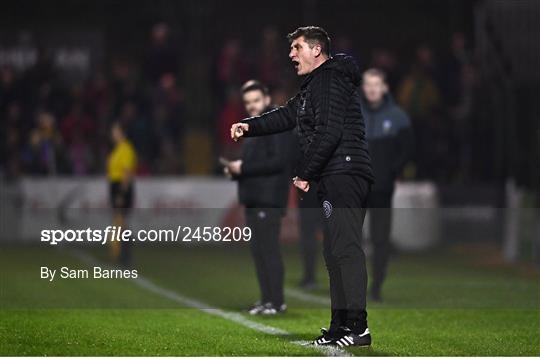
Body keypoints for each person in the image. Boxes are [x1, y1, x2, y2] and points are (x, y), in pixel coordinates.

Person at [231, 26, 374, 347]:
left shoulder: (329, 79)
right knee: (334, 251)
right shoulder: (315, 86)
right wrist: (249, 126)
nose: (291, 54)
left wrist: (306, 172)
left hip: (345, 172)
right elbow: (286, 115)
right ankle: (340, 327)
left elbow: (330, 132)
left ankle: (358, 328)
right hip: (335, 173)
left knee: (346, 249)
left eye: (297, 47)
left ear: (316, 50)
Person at [224, 80, 295, 315]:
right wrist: (236, 170)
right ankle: (267, 300)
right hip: (255, 196)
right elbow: (258, 163)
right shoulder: (254, 127)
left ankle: (277, 302)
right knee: (259, 251)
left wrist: (243, 169)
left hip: (269, 197)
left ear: (266, 99)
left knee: (269, 250)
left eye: (256, 100)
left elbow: (278, 161)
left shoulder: (274, 124)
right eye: (248, 102)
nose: (252, 106)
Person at [361, 68, 414, 302]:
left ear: (384, 88)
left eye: (376, 84)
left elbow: (407, 149)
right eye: (368, 84)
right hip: (357, 187)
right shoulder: (354, 114)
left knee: (379, 239)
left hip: (382, 188)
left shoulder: (398, 117)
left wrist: (391, 171)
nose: (372, 89)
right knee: (349, 237)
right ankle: (352, 285)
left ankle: (377, 286)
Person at [107, 122, 137, 266]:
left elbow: (127, 173)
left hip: (121, 187)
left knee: (121, 222)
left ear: (122, 133)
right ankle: (121, 256)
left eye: (116, 131)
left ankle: (124, 256)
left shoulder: (126, 149)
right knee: (119, 223)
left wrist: (121, 193)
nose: (113, 134)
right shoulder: (118, 149)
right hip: (115, 186)